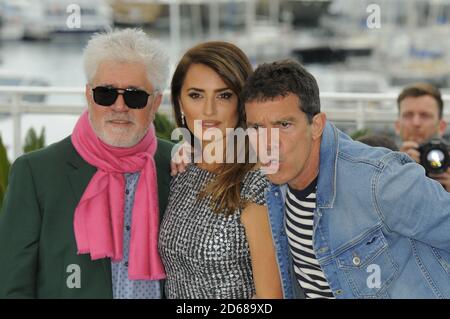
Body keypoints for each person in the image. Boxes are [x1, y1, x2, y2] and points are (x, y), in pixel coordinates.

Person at [242, 59, 450, 299]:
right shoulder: (273, 185)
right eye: (256, 128)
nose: (268, 143)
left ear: (317, 125)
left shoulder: (379, 180)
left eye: (284, 125)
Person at [0, 29, 173, 299]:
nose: (119, 107)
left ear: (155, 104)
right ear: (88, 96)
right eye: (106, 93)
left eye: (135, 96)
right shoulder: (35, 173)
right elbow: (13, 287)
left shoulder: (180, 167)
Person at [158, 41, 283, 299]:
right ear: (179, 102)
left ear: (242, 102)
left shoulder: (258, 181)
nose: (209, 110)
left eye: (224, 95)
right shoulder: (181, 171)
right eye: (196, 95)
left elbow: (271, 297)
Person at [395, 83, 450, 191]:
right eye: (408, 115)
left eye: (425, 115)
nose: (416, 123)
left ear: (441, 126)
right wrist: (398, 170)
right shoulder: (384, 166)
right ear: (397, 126)